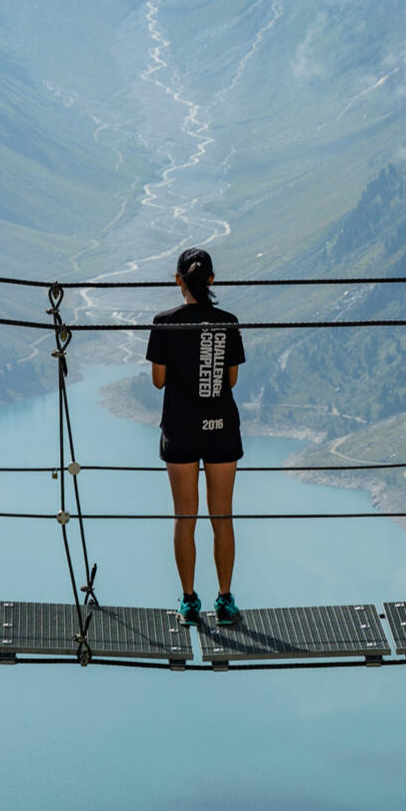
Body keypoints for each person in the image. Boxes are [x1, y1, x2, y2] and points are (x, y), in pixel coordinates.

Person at [146, 247, 245, 627]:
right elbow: (232, 379)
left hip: (181, 427)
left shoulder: (164, 321)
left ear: (178, 280)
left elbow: (158, 381)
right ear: (212, 281)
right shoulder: (228, 322)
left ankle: (189, 602)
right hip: (221, 427)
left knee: (185, 516)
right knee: (222, 515)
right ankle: (225, 601)